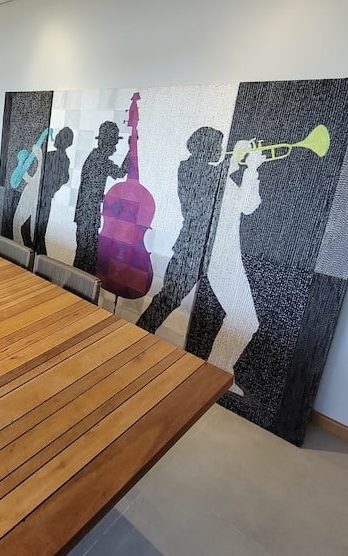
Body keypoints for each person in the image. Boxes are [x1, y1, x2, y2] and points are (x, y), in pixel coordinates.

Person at [137, 126, 224, 333]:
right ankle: (138, 333)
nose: (221, 150)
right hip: (191, 249)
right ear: (207, 146)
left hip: (205, 252)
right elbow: (200, 202)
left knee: (212, 313)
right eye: (218, 146)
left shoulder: (205, 170)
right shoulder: (190, 168)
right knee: (168, 299)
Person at [205, 140, 267, 396]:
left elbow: (250, 204)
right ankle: (217, 371)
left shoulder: (227, 182)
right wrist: (249, 167)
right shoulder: (212, 179)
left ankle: (217, 370)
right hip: (220, 258)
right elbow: (246, 205)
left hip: (228, 256)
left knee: (244, 319)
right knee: (244, 319)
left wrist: (251, 169)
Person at [73, 121, 129, 273]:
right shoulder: (100, 161)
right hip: (88, 215)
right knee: (86, 257)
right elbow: (120, 173)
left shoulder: (94, 157)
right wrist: (131, 150)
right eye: (113, 144)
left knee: (85, 256)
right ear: (106, 144)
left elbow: (91, 189)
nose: (115, 148)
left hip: (85, 215)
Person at [34, 127, 74, 255]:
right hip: (41, 196)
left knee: (39, 233)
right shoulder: (53, 156)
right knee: (36, 232)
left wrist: (50, 189)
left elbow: (64, 178)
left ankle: (40, 261)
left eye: (60, 136)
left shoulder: (59, 158)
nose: (57, 138)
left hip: (45, 198)